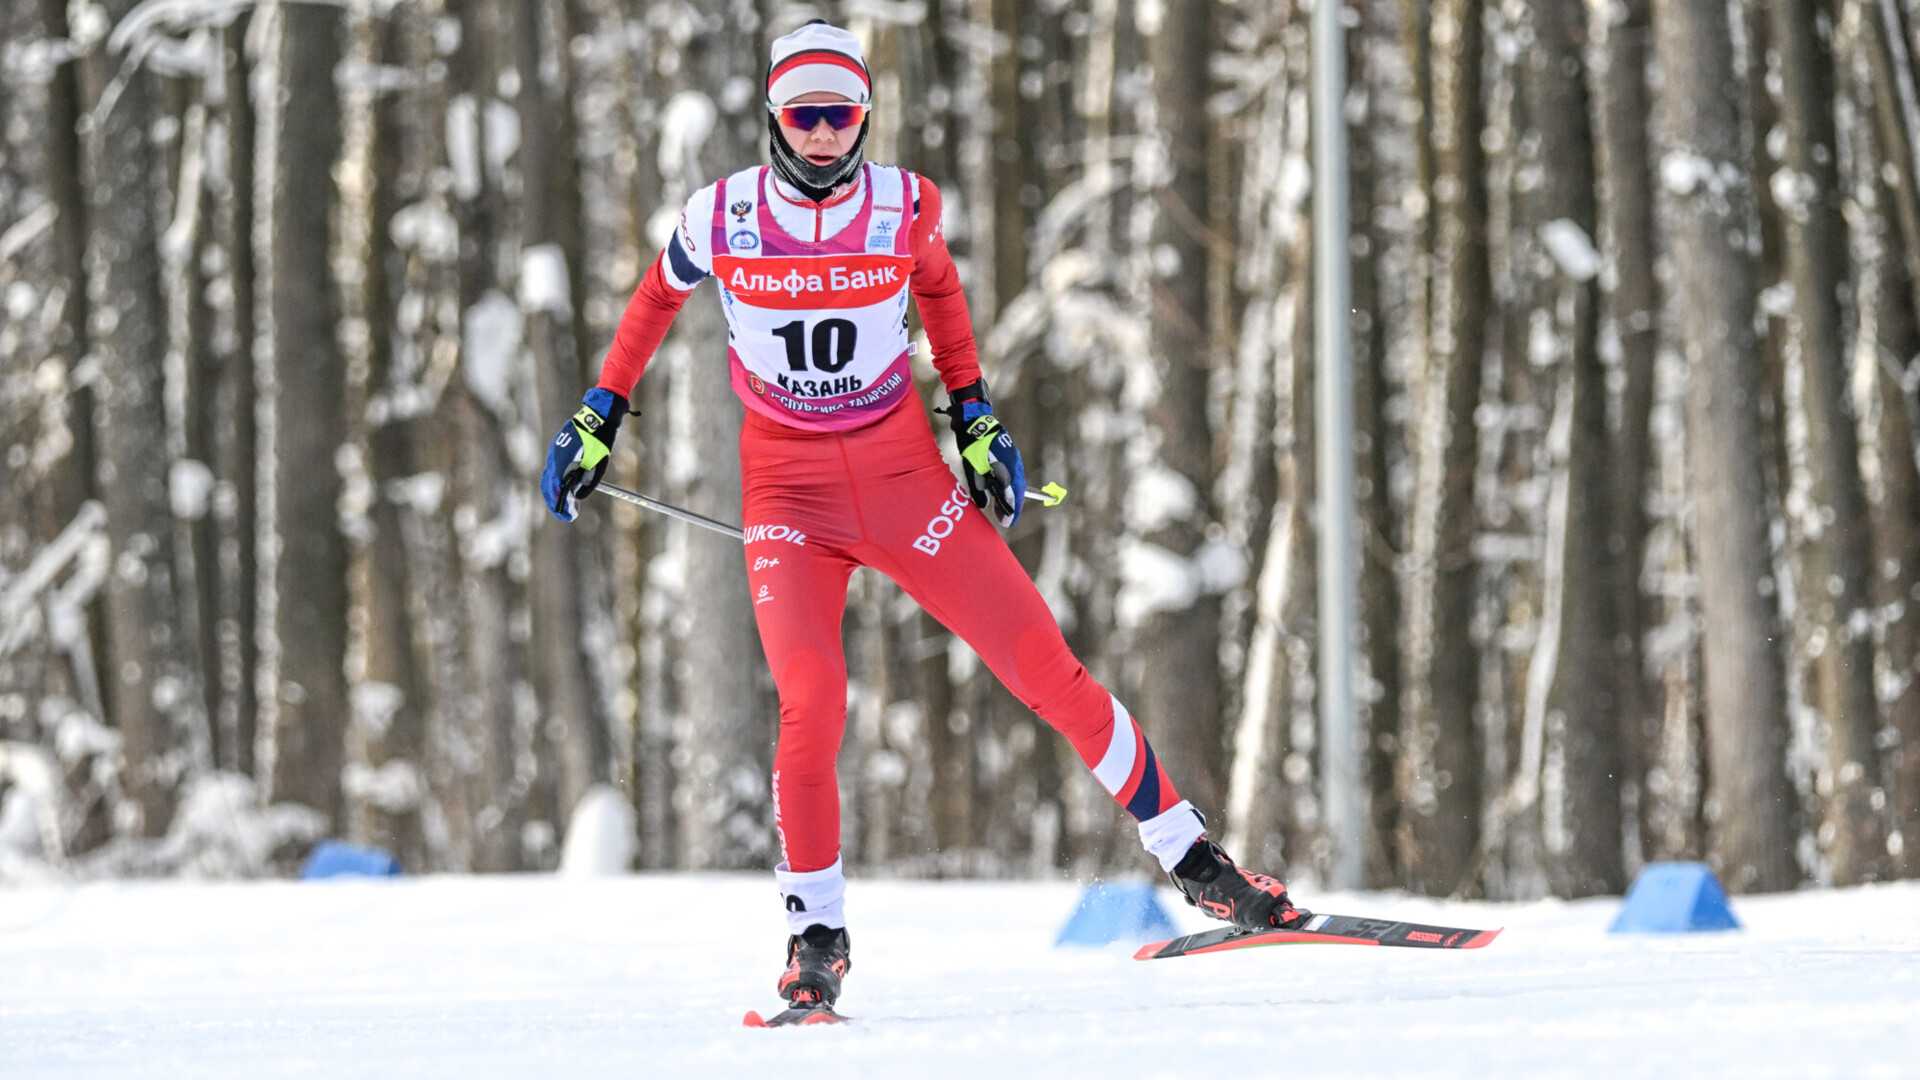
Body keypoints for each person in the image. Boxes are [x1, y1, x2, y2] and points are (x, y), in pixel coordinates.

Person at [539, 20, 1307, 1015]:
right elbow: (652, 301)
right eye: (805, 114)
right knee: (811, 699)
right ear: (775, 115)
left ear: (865, 117)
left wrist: (975, 413)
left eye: (842, 114)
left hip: (903, 480)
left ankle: (1197, 861)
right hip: (788, 494)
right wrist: (601, 413)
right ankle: (816, 934)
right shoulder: (721, 216)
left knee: (1046, 668)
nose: (823, 134)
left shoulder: (904, 206)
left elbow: (939, 293)